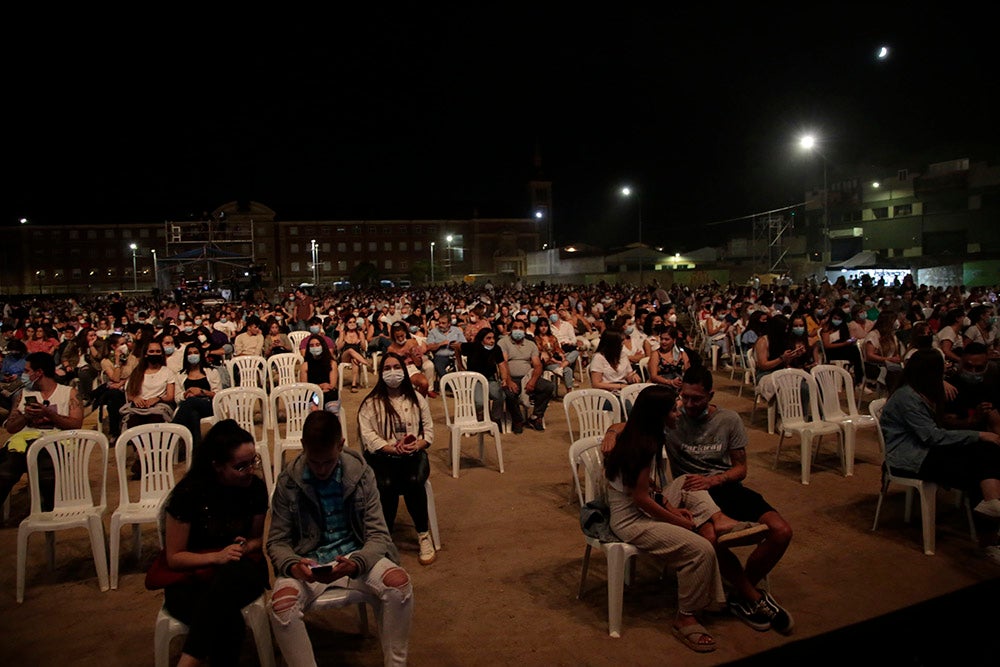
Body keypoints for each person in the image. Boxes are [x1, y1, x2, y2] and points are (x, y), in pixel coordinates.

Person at [267, 410, 413, 667]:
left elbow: (379, 535)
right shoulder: (288, 481)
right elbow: (276, 541)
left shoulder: (361, 474)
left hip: (356, 556)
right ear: (303, 447)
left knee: (400, 585)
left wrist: (357, 562)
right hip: (308, 563)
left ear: (341, 445)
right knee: (280, 607)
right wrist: (292, 566)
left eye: (328, 461)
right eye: (314, 462)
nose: (321, 469)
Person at [663, 366, 795, 634]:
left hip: (725, 486)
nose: (689, 404)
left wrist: (714, 480)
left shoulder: (729, 419)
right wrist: (610, 433)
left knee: (782, 531)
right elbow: (632, 425)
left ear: (710, 395)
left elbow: (740, 468)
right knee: (711, 540)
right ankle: (751, 596)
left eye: (697, 399)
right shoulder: (672, 417)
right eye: (685, 397)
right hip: (691, 493)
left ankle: (740, 593)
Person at [600, 384, 727, 653]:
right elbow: (641, 500)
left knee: (686, 482)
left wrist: (671, 506)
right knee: (701, 549)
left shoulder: (642, 432)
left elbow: (652, 490)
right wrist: (677, 521)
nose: (679, 411)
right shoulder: (642, 445)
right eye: (673, 408)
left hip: (643, 506)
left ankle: (720, 520)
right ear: (658, 414)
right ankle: (686, 616)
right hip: (630, 521)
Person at [160, 419, 269, 667]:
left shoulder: (255, 489)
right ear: (217, 466)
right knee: (228, 620)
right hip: (192, 575)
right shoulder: (189, 494)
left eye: (254, 462)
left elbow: (257, 540)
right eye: (241, 466)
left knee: (230, 576)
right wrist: (216, 556)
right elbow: (174, 558)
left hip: (239, 570)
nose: (250, 470)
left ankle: (188, 662)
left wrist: (244, 547)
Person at [880, 349, 1000, 565]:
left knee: (983, 453)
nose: (945, 370)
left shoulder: (923, 390)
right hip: (909, 458)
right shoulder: (907, 397)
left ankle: (991, 506)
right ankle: (989, 536)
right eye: (940, 369)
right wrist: (979, 433)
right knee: (977, 463)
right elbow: (932, 436)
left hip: (926, 451)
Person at [358, 352, 437, 565]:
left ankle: (423, 534)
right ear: (380, 373)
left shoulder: (417, 399)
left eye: (396, 367)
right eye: (387, 368)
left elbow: (428, 432)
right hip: (383, 456)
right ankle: (384, 537)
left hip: (413, 454)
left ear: (403, 370)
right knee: (386, 484)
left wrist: (416, 444)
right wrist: (391, 449)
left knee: (413, 481)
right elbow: (368, 436)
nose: (392, 372)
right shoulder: (371, 403)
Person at [0, 352, 85, 511]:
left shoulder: (68, 393)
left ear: (38, 372)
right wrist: (26, 416)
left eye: (27, 371)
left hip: (56, 444)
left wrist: (48, 414)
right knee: (5, 471)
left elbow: (76, 424)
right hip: (23, 444)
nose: (23, 375)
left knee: (47, 472)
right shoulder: (23, 394)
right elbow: (11, 427)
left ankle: (46, 511)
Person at [497, 319, 555, 433]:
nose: (518, 330)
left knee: (548, 387)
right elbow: (503, 363)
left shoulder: (530, 344)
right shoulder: (503, 343)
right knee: (509, 393)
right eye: (515, 328)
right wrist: (508, 380)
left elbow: (538, 365)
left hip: (528, 377)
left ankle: (535, 417)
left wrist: (532, 381)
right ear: (510, 329)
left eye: (521, 328)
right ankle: (518, 420)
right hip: (511, 378)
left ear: (525, 330)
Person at [171, 344, 224, 450]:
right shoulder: (180, 375)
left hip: (208, 405)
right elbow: (176, 397)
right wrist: (186, 394)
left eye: (196, 353)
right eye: (190, 353)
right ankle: (197, 450)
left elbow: (219, 395)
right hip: (188, 406)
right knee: (193, 414)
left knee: (191, 402)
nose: (193, 355)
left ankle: (170, 435)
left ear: (201, 355)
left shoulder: (211, 371)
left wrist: (201, 392)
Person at [457, 327, 506, 424]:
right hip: (475, 379)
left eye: (493, 338)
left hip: (490, 378)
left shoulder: (496, 349)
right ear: (482, 339)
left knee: (500, 396)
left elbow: (501, 364)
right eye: (488, 338)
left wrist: (504, 378)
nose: (492, 341)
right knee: (479, 402)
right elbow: (457, 347)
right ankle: (479, 415)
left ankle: (495, 419)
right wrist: (460, 364)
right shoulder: (472, 347)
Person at [386, 321, 432, 397]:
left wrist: (412, 354)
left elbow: (419, 364)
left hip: (411, 369)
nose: (400, 339)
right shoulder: (390, 349)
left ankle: (420, 403)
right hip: (398, 371)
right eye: (398, 337)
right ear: (393, 336)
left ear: (405, 333)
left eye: (402, 336)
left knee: (424, 383)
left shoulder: (412, 343)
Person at [424, 312, 466, 388]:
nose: (440, 325)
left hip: (455, 354)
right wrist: (440, 344)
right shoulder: (434, 332)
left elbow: (464, 344)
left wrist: (457, 345)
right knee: (439, 365)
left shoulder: (456, 330)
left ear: (449, 323)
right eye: (439, 323)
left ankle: (465, 384)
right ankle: (452, 385)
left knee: (465, 361)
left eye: (443, 323)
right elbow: (429, 347)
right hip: (441, 355)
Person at [300, 334, 340, 407]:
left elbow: (332, 385)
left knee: (332, 409)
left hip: (328, 393)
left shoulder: (332, 363)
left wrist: (321, 389)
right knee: (312, 408)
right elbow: (304, 387)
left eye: (317, 345)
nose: (315, 347)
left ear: (323, 346)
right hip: (311, 395)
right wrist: (320, 386)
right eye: (311, 346)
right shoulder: (305, 365)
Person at [336, 315, 374, 393]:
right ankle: (366, 363)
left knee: (354, 360)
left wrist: (361, 341)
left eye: (354, 322)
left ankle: (354, 385)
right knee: (350, 350)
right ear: (346, 324)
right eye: (350, 322)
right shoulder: (343, 333)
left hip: (357, 356)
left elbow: (364, 348)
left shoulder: (360, 333)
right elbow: (338, 348)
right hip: (345, 356)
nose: (352, 324)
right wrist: (344, 341)